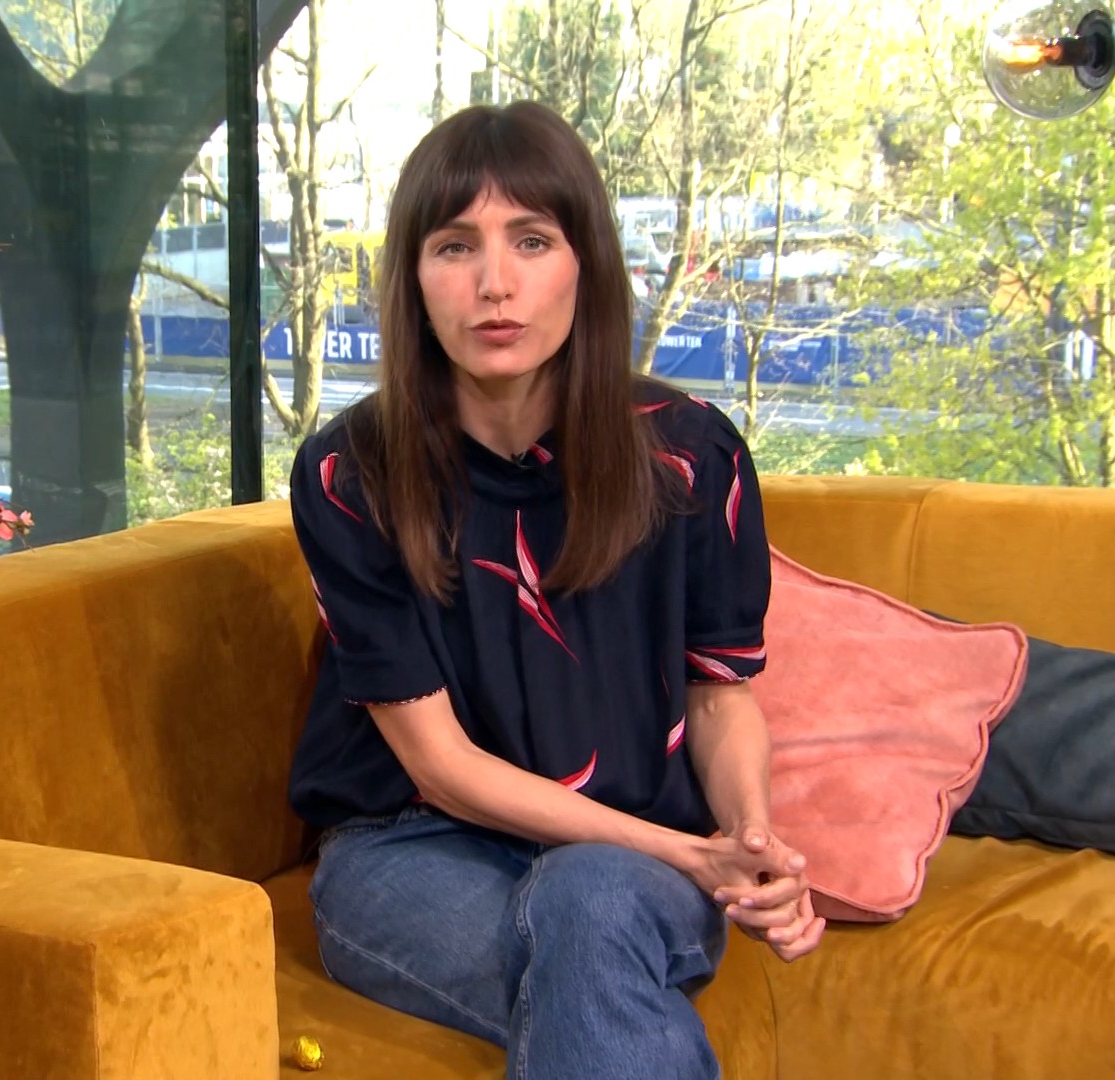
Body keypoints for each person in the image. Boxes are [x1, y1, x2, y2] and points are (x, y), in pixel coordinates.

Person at [286, 101, 822, 1080]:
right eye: (455, 246)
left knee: (591, 902)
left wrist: (747, 838)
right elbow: (442, 767)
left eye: (531, 241)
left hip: (631, 865)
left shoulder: (692, 457)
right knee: (596, 946)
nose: (494, 284)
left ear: (586, 264)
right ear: (413, 277)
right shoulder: (350, 474)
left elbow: (720, 696)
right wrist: (689, 856)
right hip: (410, 853)